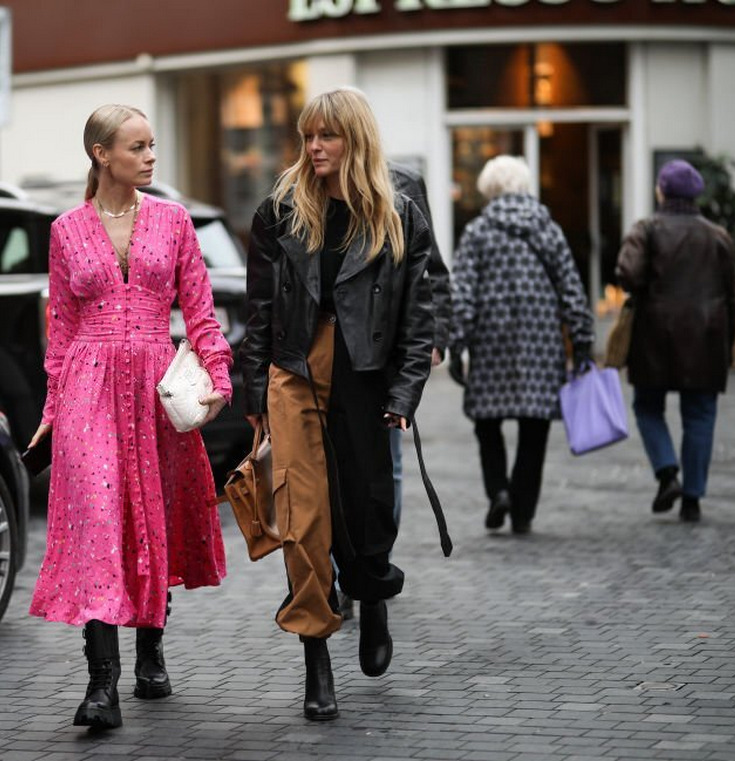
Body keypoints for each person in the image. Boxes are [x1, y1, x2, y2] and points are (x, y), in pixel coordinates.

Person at [27, 104, 232, 730]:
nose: (150, 156)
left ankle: (151, 651)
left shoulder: (173, 222)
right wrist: (52, 408)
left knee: (152, 516)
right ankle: (101, 686)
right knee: (98, 521)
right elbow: (60, 329)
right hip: (88, 386)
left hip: (154, 383)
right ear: (101, 154)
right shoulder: (66, 230)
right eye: (138, 147)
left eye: (152, 145)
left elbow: (199, 311)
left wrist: (218, 377)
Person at [241, 87, 435, 721]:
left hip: (365, 373)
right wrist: (254, 395)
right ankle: (315, 656)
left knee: (364, 505)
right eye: (308, 136)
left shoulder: (398, 211)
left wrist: (405, 393)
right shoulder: (279, 209)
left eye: (328, 135)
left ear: (356, 139)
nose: (315, 147)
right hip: (294, 371)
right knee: (301, 517)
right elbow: (261, 310)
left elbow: (418, 313)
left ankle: (372, 592)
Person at [448, 155, 593, 535]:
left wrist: (455, 345)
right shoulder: (548, 229)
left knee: (487, 422)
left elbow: (461, 294)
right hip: (541, 344)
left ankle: (498, 490)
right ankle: (523, 509)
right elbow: (571, 289)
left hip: (490, 341)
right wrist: (582, 342)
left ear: (489, 189)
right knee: (535, 426)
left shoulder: (478, 232)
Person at [338, 162, 450, 622]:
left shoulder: (404, 187)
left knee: (388, 463)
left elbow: (430, 269)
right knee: (330, 473)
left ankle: (374, 560)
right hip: (333, 361)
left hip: (381, 354)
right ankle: (346, 573)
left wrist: (435, 337)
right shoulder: (305, 190)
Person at [615, 159, 735, 523]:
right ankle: (693, 498)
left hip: (655, 335)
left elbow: (626, 273)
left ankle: (667, 473)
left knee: (647, 406)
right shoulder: (718, 236)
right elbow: (731, 296)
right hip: (707, 338)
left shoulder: (647, 229)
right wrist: (727, 345)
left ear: (662, 190)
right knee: (700, 414)